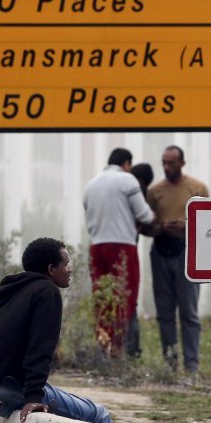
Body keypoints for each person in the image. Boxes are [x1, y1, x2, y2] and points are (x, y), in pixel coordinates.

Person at [0, 237, 112, 423]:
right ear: (51, 269)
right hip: (0, 391)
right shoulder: (47, 292)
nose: (70, 269)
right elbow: (40, 350)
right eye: (66, 264)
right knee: (99, 415)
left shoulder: (16, 289)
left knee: (60, 400)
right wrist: (33, 398)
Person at [83, 148, 154, 357]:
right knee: (125, 298)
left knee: (102, 298)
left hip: (96, 246)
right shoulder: (127, 181)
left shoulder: (91, 184)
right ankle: (121, 349)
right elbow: (145, 215)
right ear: (127, 164)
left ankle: (103, 346)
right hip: (123, 246)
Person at [147, 145, 210, 373]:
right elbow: (146, 225)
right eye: (164, 162)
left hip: (187, 253)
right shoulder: (155, 192)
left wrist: (186, 226)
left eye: (171, 162)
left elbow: (209, 223)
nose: (166, 167)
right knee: (164, 313)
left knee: (189, 313)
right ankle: (170, 365)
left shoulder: (197, 188)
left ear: (182, 163)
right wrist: (161, 227)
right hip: (161, 252)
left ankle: (192, 366)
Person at [125, 162, 156, 358]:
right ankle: (131, 350)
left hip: (127, 250)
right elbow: (146, 218)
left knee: (128, 303)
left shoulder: (132, 192)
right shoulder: (133, 191)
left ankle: (130, 350)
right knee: (130, 304)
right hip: (126, 249)